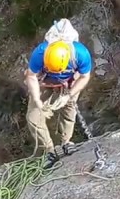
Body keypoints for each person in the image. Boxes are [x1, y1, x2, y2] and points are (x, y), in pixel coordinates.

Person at [25, 19, 93, 165]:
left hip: (69, 81)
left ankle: (65, 142)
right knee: (33, 117)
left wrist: (69, 95)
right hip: (45, 80)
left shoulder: (80, 53)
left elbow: (84, 77)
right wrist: (37, 100)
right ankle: (48, 150)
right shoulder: (41, 53)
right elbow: (30, 76)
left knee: (69, 111)